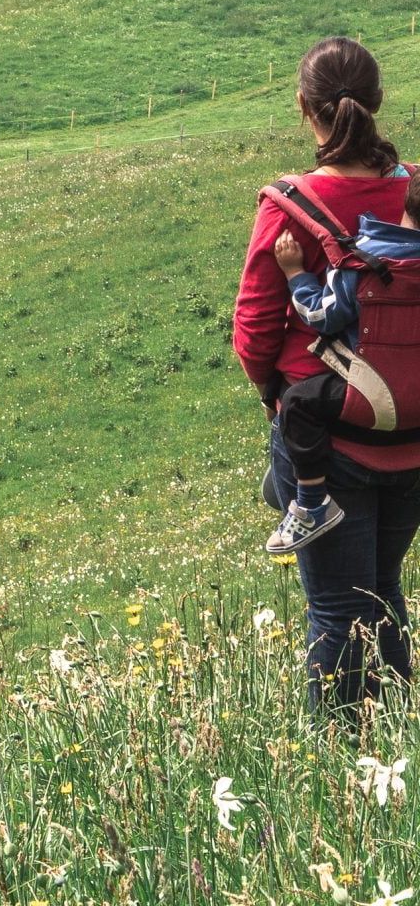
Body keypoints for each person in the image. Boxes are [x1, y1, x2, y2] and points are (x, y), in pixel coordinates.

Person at [234, 36, 420, 706]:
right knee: (383, 588)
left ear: (303, 106)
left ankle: (343, 764)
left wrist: (270, 397)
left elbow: (255, 331)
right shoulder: (416, 193)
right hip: (411, 430)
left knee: (338, 609)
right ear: (376, 103)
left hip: (329, 432)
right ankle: (401, 733)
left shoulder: (288, 205)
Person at [265, 171, 420, 555]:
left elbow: (321, 316)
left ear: (406, 200)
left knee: (300, 403)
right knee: (386, 584)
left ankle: (312, 501)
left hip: (376, 395)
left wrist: (297, 275)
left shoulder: (366, 264)